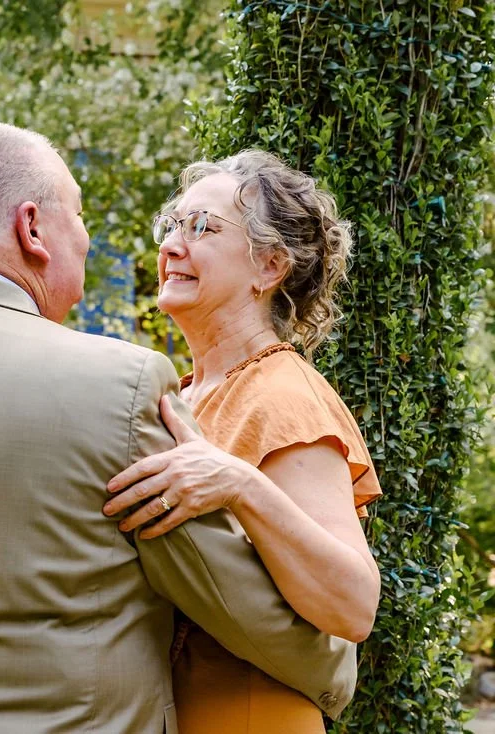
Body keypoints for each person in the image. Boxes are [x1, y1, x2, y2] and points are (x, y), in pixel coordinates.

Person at [0, 123, 357, 734]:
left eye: (201, 227)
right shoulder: (118, 388)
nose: (89, 238)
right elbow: (229, 598)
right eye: (79, 215)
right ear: (32, 229)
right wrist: (335, 673)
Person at [103, 149, 382, 734]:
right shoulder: (183, 393)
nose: (171, 245)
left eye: (201, 227)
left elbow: (354, 606)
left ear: (270, 266)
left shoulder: (282, 393)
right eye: (170, 225)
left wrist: (240, 483)